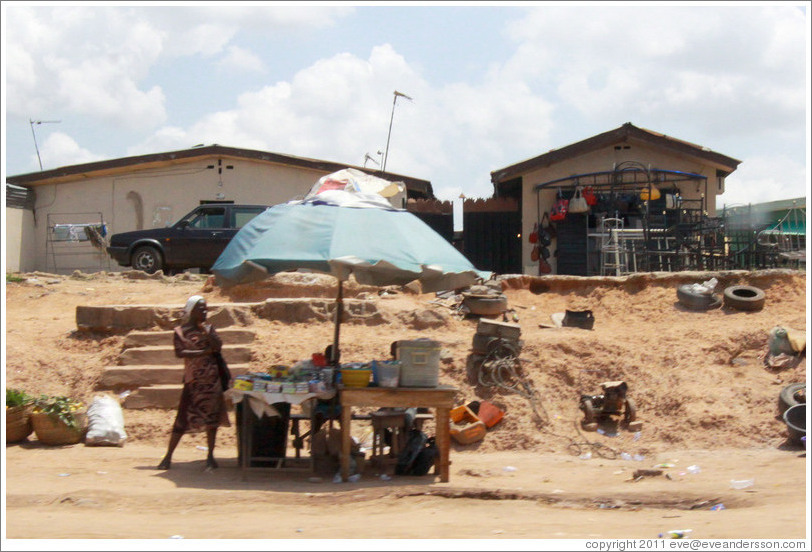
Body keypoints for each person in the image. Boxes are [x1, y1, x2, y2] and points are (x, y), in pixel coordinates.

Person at [158, 295, 229, 470]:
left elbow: (217, 346)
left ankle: (210, 456)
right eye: (201, 308)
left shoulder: (209, 329)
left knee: (212, 421)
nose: (204, 311)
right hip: (193, 382)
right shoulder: (180, 332)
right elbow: (181, 353)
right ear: (192, 311)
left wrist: (205, 332)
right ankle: (168, 457)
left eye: (206, 308)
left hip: (212, 382)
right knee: (182, 420)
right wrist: (205, 352)